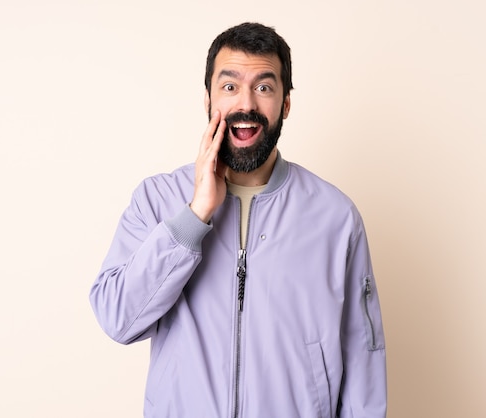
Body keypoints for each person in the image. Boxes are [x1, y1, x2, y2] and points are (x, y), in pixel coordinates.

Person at [90, 22, 387, 418]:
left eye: (264, 87)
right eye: (229, 87)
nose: (246, 104)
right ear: (209, 101)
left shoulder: (335, 217)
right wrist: (195, 216)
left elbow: (363, 362)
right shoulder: (156, 199)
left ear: (285, 104)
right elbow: (117, 319)